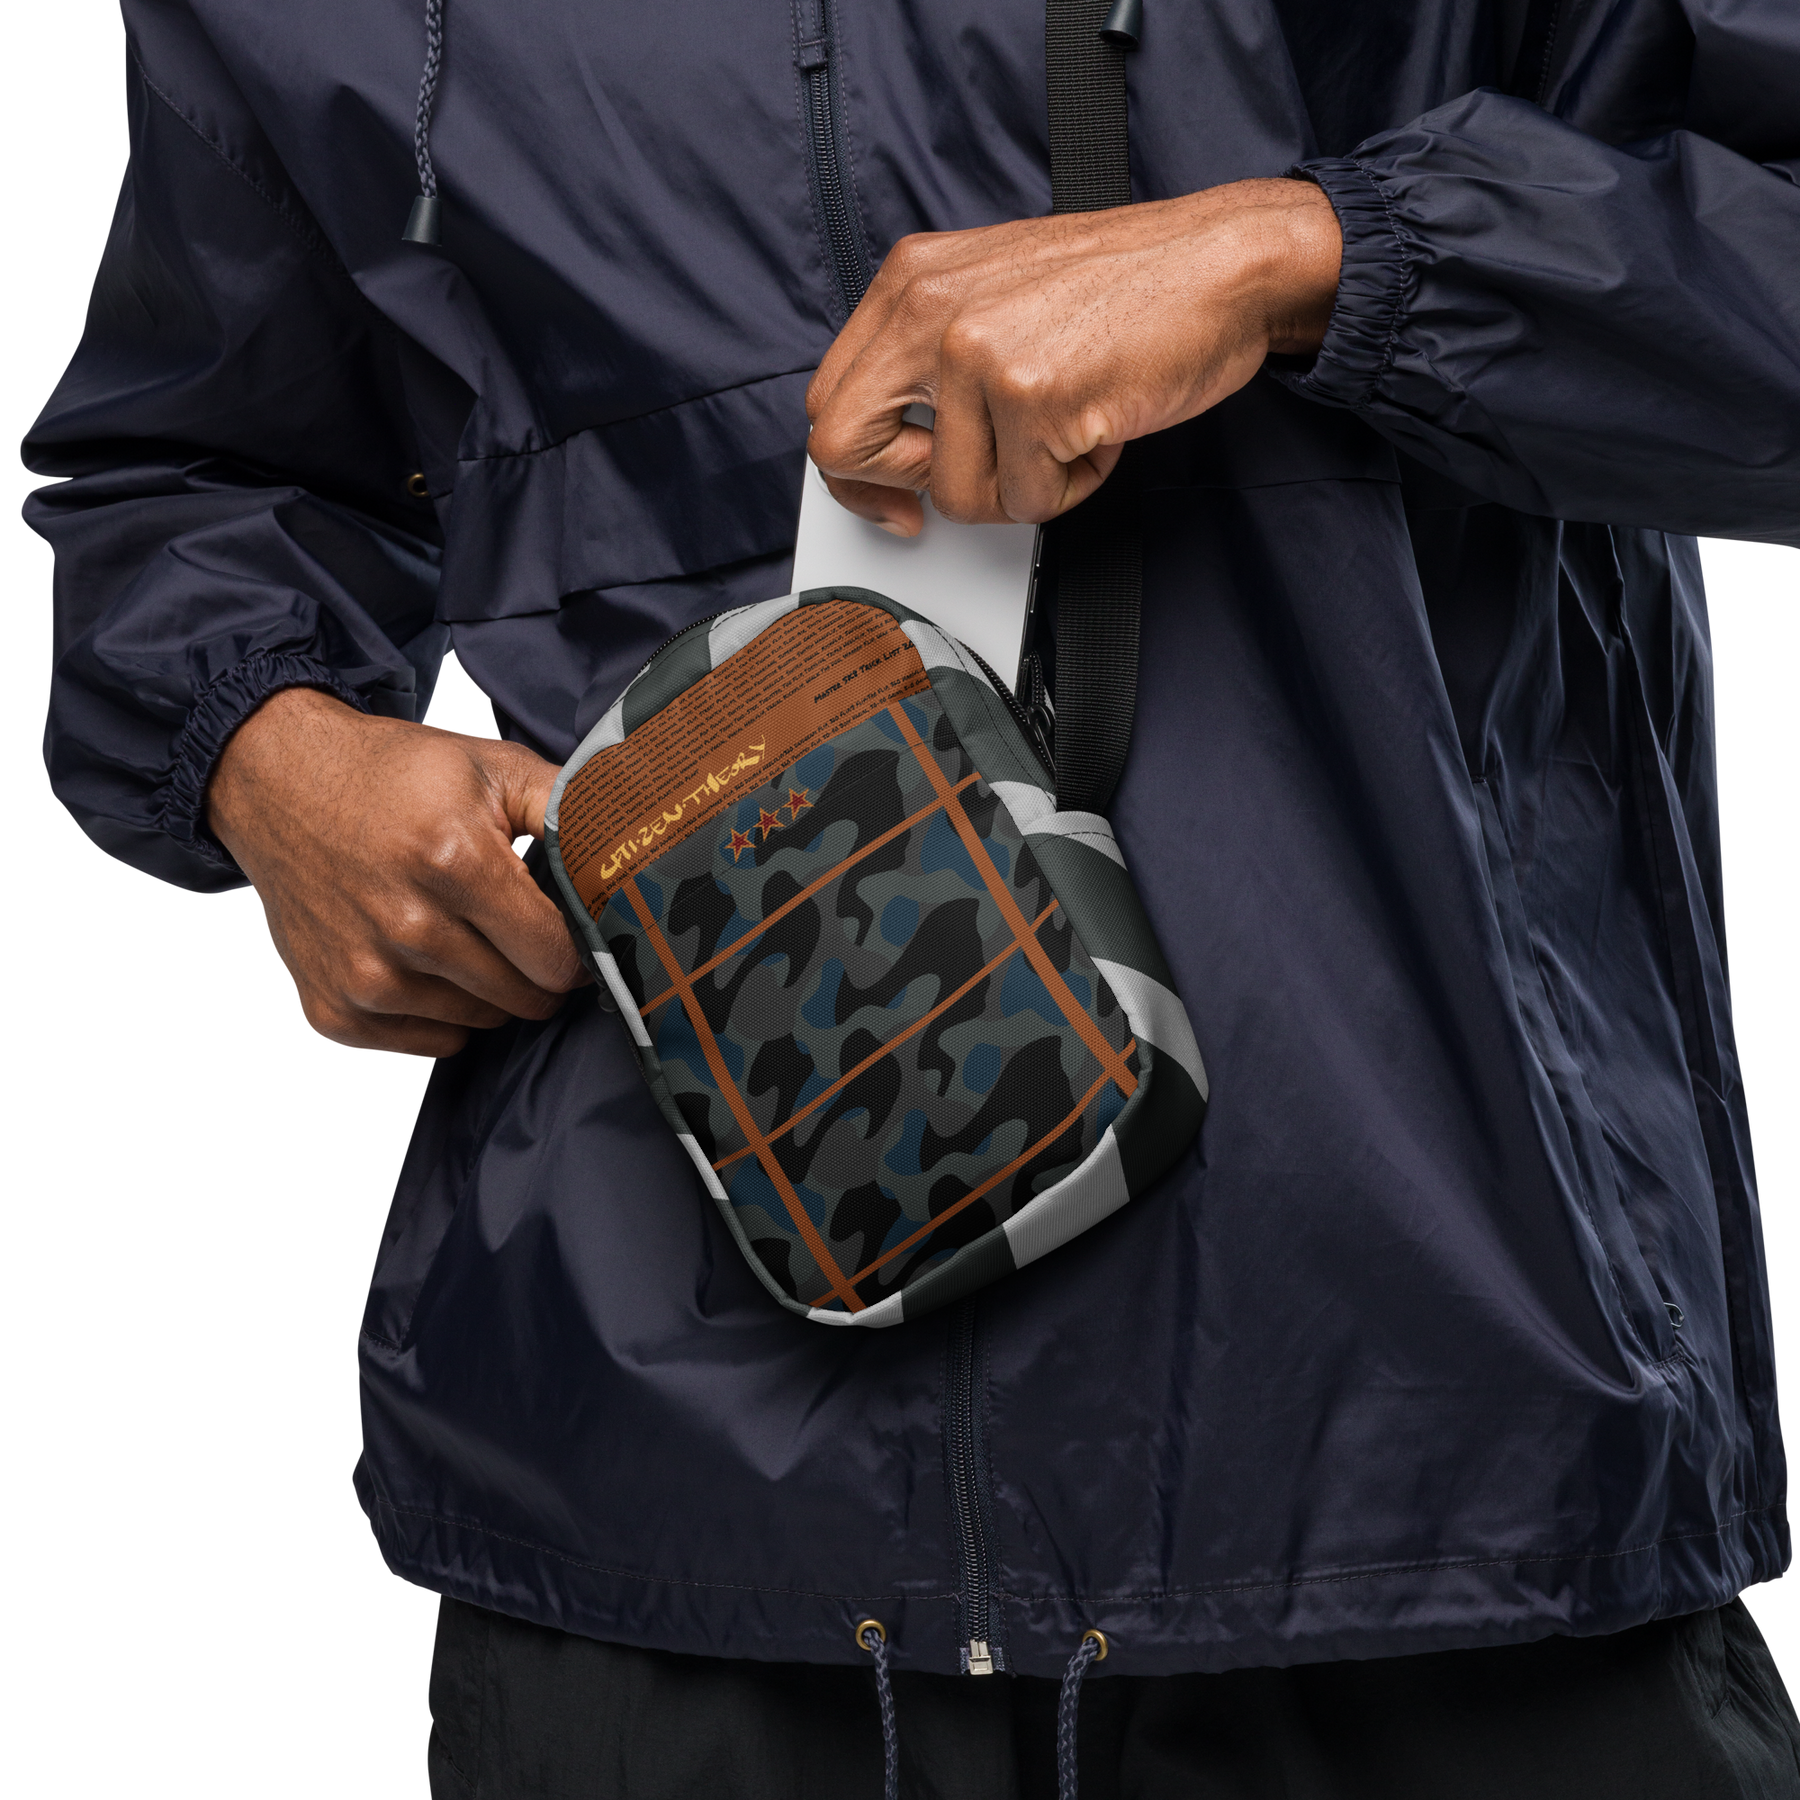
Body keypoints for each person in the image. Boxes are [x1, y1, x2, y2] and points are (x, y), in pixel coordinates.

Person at [23, 0, 1800, 1793]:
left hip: (1444, 1462)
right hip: (659, 1512)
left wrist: (1301, 255)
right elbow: (180, 464)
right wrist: (267, 752)